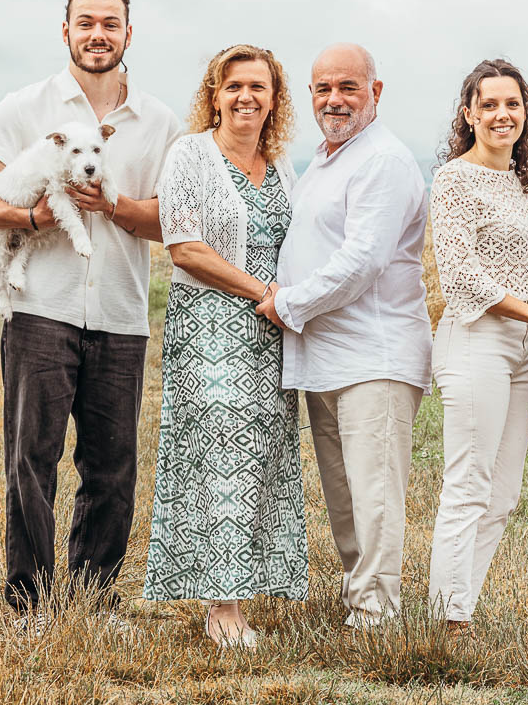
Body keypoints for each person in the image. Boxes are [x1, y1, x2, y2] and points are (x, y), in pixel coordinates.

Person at [0, 0, 183, 627]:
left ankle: (92, 599)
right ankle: (28, 601)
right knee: (31, 458)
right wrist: (26, 214)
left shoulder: (159, 122)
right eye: (86, 22)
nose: (98, 33)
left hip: (119, 311)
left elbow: (174, 219)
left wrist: (114, 205)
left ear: (128, 34)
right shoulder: (27, 106)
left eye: (111, 22)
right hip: (40, 310)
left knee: (111, 465)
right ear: (66, 31)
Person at [257, 42, 430, 628]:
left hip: (373, 355)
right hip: (326, 354)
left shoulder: (383, 160)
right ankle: (362, 596)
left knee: (373, 490)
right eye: (323, 89)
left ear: (375, 93)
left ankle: (377, 612)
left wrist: (288, 303)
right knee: (343, 490)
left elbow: (363, 261)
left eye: (348, 87)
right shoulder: (328, 160)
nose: (334, 99)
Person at [145, 44, 308, 647]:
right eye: (234, 85)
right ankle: (221, 609)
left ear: (275, 98)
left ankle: (242, 589)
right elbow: (184, 245)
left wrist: (289, 302)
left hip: (272, 334)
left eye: (258, 87)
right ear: (214, 94)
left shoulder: (282, 164)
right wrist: (264, 292)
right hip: (211, 328)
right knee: (218, 460)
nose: (246, 97)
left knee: (260, 459)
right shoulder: (191, 154)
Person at [426, 59, 528, 635]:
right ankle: (448, 621)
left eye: (511, 104)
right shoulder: (453, 180)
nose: (501, 114)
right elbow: (464, 278)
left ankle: (461, 603)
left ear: (524, 112)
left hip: (518, 349)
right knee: (468, 483)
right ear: (469, 114)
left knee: (504, 493)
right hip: (474, 342)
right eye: (488, 105)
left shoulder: (518, 184)